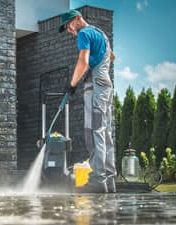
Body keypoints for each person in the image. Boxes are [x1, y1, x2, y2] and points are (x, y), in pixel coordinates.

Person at [59, 9, 116, 193]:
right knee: (104, 132)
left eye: (68, 25)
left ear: (77, 19)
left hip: (95, 88)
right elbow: (111, 56)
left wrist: (72, 84)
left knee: (93, 131)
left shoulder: (84, 33)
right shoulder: (101, 34)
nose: (68, 29)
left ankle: (98, 180)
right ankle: (109, 180)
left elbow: (83, 61)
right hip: (105, 85)